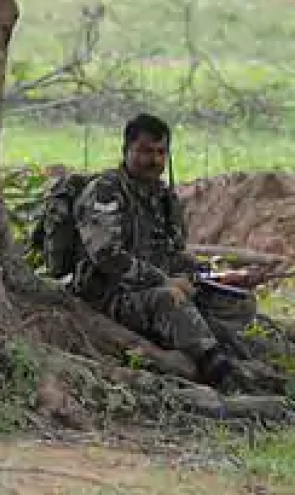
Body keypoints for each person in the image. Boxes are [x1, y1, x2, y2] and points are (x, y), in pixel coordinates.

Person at [71, 114, 256, 388]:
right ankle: (221, 375)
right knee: (170, 300)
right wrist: (164, 281)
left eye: (161, 152)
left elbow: (174, 252)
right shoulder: (105, 192)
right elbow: (107, 256)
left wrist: (212, 276)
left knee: (239, 301)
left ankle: (199, 339)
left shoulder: (163, 197)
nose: (155, 160)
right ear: (126, 151)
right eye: (146, 151)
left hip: (158, 288)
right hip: (109, 295)